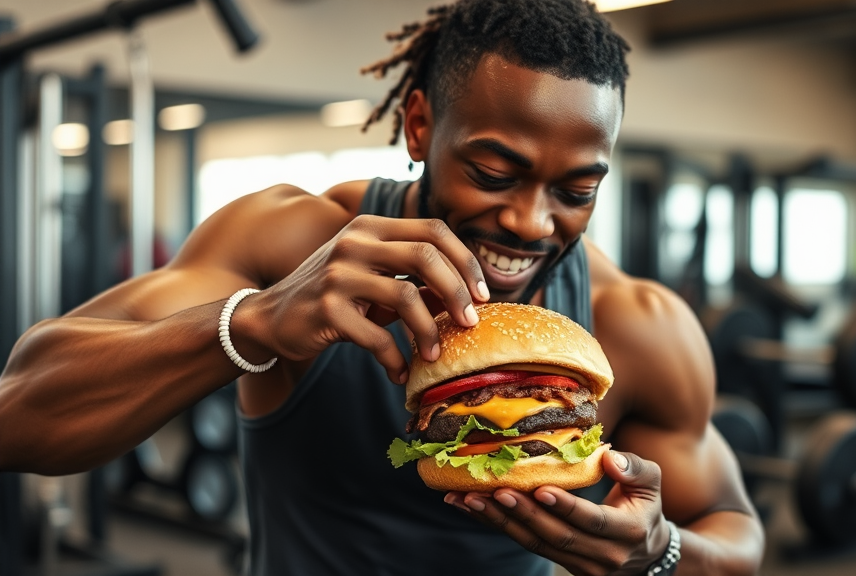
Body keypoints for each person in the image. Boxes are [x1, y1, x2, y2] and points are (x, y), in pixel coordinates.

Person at [0, 1, 764, 574]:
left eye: (575, 190)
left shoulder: (636, 324)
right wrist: (256, 323)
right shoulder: (290, 239)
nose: (532, 222)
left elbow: (735, 530)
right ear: (421, 126)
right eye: (494, 175)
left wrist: (661, 552)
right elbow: (19, 414)